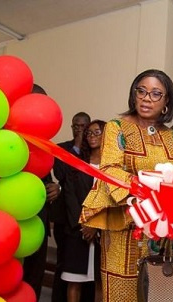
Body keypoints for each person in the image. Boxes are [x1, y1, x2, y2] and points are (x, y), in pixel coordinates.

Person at [79, 69, 173, 301]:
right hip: (125, 225)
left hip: (160, 229)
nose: (147, 98)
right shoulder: (117, 127)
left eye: (156, 94)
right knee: (122, 290)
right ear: (133, 94)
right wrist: (145, 189)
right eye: (142, 91)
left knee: (156, 291)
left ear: (167, 102)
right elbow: (110, 170)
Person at [22, 84, 61, 300]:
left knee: (33, 278)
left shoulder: (45, 142)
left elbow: (47, 178)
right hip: (9, 220)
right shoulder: (4, 135)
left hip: (38, 221)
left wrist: (56, 187)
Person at [60, 120, 105, 302]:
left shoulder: (113, 166)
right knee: (74, 280)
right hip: (78, 230)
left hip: (103, 232)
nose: (91, 136)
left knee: (101, 281)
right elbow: (70, 194)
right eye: (89, 133)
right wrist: (84, 223)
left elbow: (111, 199)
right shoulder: (79, 163)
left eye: (97, 132)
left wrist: (96, 225)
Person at [52, 111, 91, 302]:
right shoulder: (61, 148)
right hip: (65, 219)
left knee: (88, 271)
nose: (79, 129)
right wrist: (76, 145)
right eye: (76, 126)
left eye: (83, 126)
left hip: (90, 220)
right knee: (64, 265)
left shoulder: (92, 152)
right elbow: (62, 175)